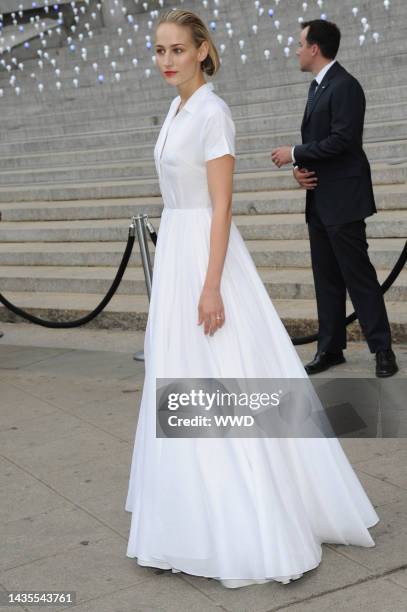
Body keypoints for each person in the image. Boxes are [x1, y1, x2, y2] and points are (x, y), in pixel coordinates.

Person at [125, 9, 380, 589]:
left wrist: (211, 285)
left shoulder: (212, 112)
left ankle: (251, 514)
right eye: (159, 51)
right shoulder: (177, 107)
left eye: (177, 50)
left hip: (206, 256)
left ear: (202, 51)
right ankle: (187, 518)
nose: (167, 61)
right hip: (178, 256)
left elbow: (221, 207)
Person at [271, 19, 398, 378]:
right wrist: (300, 169)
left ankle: (382, 349)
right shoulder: (317, 88)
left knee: (358, 277)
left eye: (300, 44)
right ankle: (330, 348)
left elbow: (344, 141)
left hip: (343, 200)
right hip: (320, 201)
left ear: (315, 48)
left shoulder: (345, 86)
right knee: (326, 278)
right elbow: (322, 146)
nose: (296, 50)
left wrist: (294, 152)